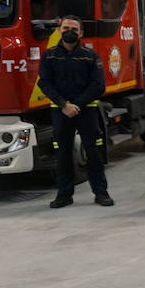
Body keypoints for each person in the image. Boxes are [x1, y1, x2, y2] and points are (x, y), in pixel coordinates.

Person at [37, 15, 111, 208]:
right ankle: (64, 195)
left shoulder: (90, 56)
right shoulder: (49, 55)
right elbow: (44, 83)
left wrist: (75, 105)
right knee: (62, 155)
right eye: (66, 28)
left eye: (74, 29)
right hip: (60, 112)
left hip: (86, 111)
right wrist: (63, 104)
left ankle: (101, 193)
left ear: (81, 33)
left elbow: (98, 86)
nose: (70, 32)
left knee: (93, 153)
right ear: (59, 30)